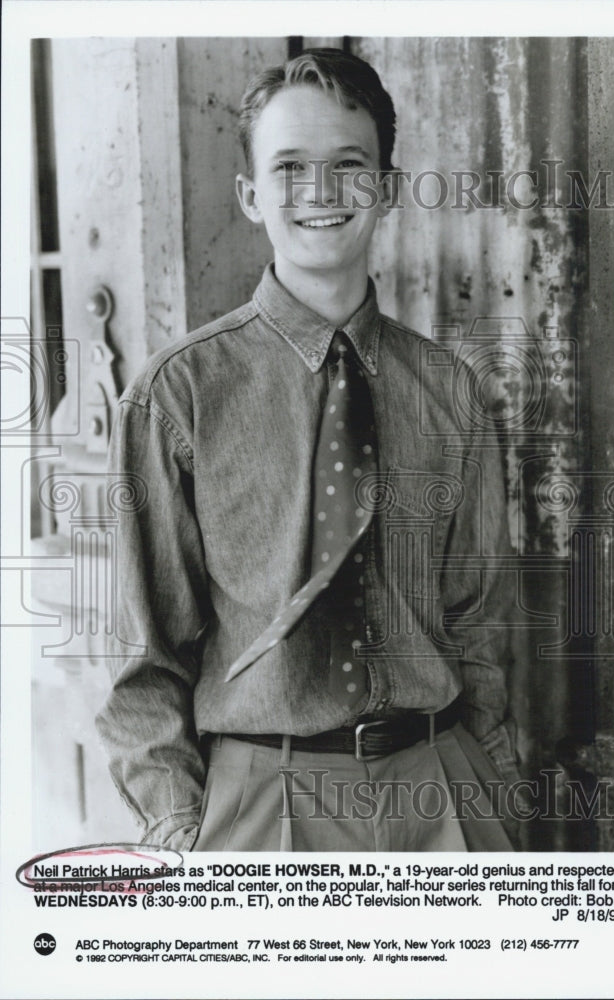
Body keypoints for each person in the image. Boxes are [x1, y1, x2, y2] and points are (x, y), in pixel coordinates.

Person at [97, 48, 522, 852]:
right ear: (252, 197)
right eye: (290, 167)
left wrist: (489, 784)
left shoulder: (450, 391)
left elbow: (475, 623)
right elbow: (144, 656)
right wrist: (180, 830)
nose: (321, 193)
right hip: (263, 801)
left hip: (442, 789)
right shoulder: (177, 395)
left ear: (387, 190)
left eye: (348, 166)